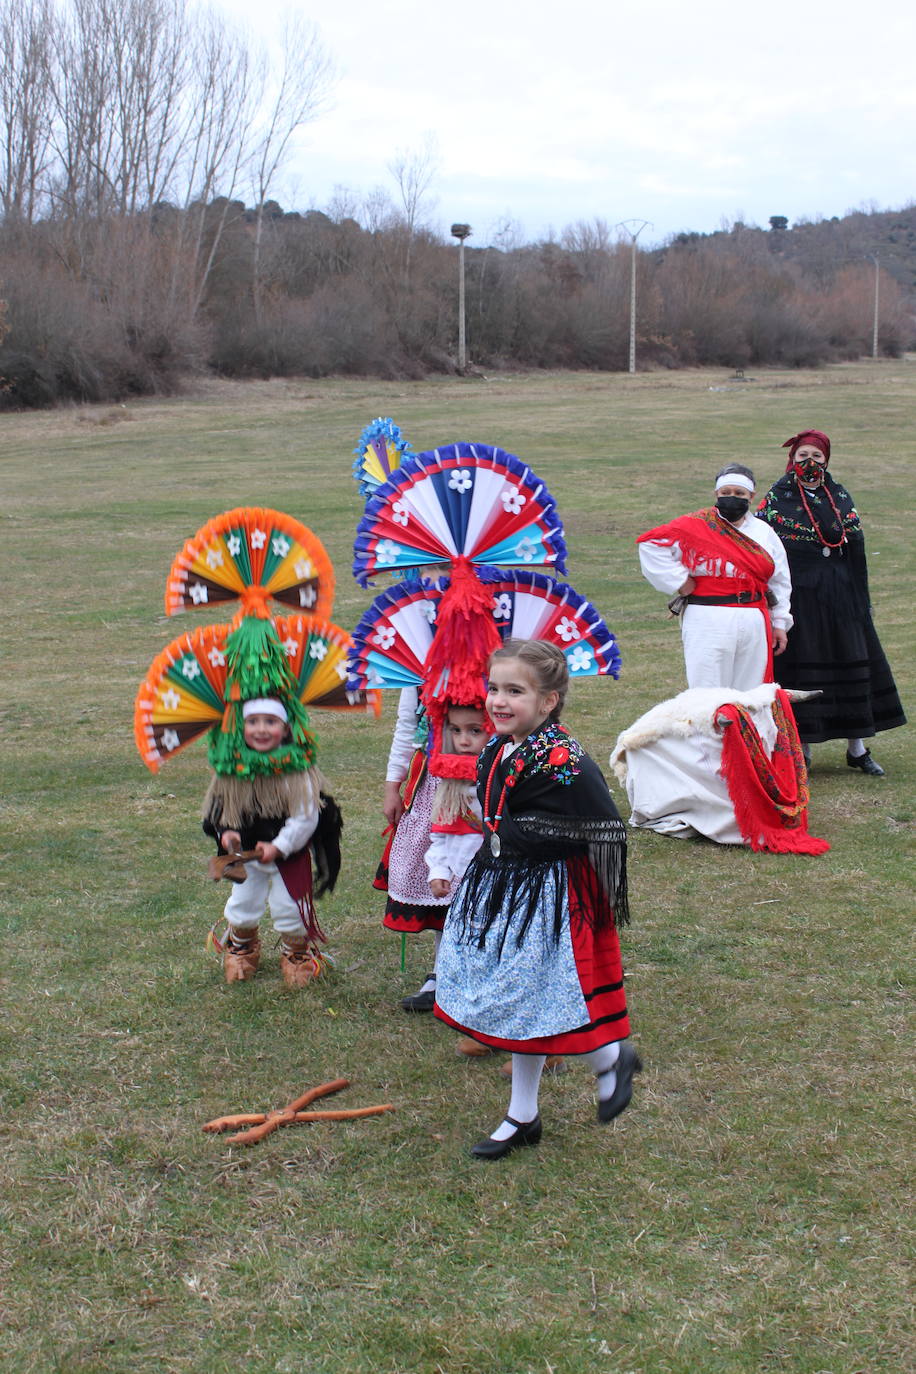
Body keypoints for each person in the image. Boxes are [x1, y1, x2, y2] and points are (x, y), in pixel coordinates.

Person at [434, 640, 639, 1160]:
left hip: (549, 895)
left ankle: (609, 1060)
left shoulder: (564, 758)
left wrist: (523, 831)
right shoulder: (497, 747)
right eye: (495, 689)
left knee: (540, 997)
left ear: (548, 701)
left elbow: (604, 825)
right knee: (519, 1002)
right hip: (504, 884)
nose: (498, 702)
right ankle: (524, 1114)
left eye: (515, 692)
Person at [756, 430, 906, 775]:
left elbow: (856, 549)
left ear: (827, 460)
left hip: (841, 594)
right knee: (804, 663)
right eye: (803, 456)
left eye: (817, 457)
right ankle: (803, 750)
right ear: (792, 459)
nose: (810, 463)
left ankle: (858, 748)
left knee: (851, 657)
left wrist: (861, 596)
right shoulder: (778, 497)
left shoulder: (838, 495)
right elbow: (763, 551)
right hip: (801, 595)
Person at [203, 698, 325, 986]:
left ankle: (296, 953)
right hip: (246, 855)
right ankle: (242, 948)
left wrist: (280, 846)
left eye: (270, 722)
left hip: (288, 855)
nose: (261, 729)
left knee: (291, 908)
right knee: (243, 905)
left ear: (284, 729)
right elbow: (218, 807)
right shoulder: (233, 767)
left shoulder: (297, 771)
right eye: (253, 721)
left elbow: (306, 817)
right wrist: (226, 832)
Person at [637, 464, 792, 690]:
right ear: (716, 494)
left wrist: (779, 622)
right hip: (707, 617)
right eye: (726, 492)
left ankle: (744, 727)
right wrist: (680, 581)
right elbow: (651, 544)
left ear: (751, 496)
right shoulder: (694, 526)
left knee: (750, 694)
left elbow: (779, 581)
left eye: (739, 493)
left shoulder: (764, 532)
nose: (732, 497)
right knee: (706, 693)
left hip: (754, 619)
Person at [379, 685, 454, 1012]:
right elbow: (408, 724)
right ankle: (443, 973)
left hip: (482, 779)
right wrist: (392, 785)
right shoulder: (418, 659)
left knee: (472, 883)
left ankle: (463, 973)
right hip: (433, 782)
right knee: (442, 882)